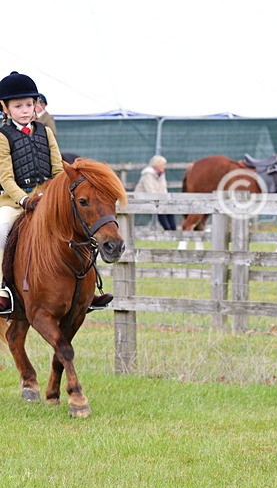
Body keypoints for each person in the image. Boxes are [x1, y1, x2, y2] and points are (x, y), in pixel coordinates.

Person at [0, 71, 111, 313]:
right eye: (18, 106)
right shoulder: (2, 137)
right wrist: (23, 199)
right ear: (6, 108)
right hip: (14, 201)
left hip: (46, 199)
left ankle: (90, 289)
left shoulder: (45, 132)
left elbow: (58, 167)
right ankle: (3, 290)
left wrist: (56, 195)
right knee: (1, 231)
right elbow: (6, 177)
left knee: (79, 227)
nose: (25, 110)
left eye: (29, 104)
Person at [134, 155, 176, 231]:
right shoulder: (147, 174)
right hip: (143, 199)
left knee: (169, 208)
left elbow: (164, 189)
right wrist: (161, 200)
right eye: (162, 165)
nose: (164, 167)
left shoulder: (161, 174)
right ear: (157, 165)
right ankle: (168, 230)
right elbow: (150, 191)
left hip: (157, 200)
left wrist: (166, 200)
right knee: (161, 208)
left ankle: (173, 230)